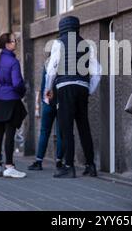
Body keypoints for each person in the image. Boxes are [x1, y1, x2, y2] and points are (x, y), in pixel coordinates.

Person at [45, 16, 102, 179]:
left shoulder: (58, 43)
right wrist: (88, 89)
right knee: (84, 126)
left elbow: (52, 68)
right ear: (78, 28)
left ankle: (68, 166)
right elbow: (97, 72)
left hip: (64, 87)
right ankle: (90, 165)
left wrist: (48, 88)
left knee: (66, 128)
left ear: (61, 28)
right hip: (82, 87)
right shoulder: (86, 45)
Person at [0, 33, 28, 178]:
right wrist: (22, 92)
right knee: (9, 134)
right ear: (7, 44)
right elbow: (17, 83)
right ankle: (9, 166)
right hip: (10, 100)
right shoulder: (13, 62)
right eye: (13, 41)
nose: (15, 43)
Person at [28, 60, 63, 171]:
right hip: (61, 103)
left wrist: (44, 100)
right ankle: (59, 161)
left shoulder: (48, 62)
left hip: (48, 102)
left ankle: (39, 161)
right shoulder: (67, 62)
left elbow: (44, 82)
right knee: (60, 132)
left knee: (44, 132)